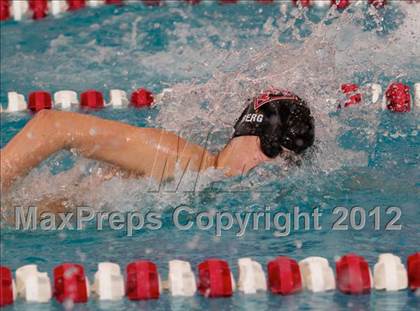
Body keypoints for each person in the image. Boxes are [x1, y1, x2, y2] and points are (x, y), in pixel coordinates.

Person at [0, 89, 315, 193]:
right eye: (271, 148)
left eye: (285, 160)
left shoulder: (206, 181)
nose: (270, 165)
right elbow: (52, 125)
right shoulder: (179, 159)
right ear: (248, 132)